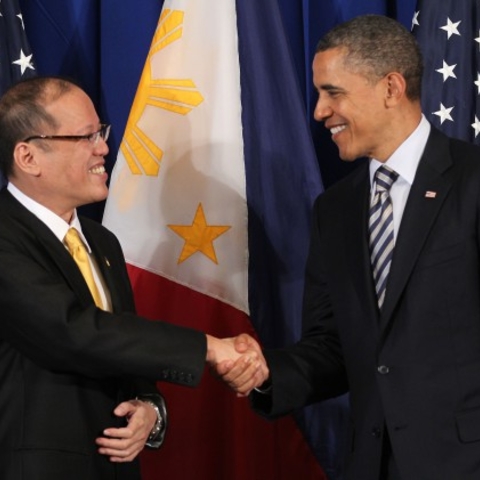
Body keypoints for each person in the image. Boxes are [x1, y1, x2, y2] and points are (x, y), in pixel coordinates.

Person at [220, 14, 480, 480]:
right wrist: (267, 371)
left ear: (391, 87)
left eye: (332, 92)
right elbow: (334, 347)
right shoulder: (335, 209)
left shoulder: (472, 181)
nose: (319, 112)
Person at [0, 76, 267, 480]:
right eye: (85, 137)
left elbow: (121, 345)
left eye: (100, 132)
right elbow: (71, 332)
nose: (104, 148)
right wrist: (209, 348)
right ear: (28, 157)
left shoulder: (102, 241)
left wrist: (148, 407)